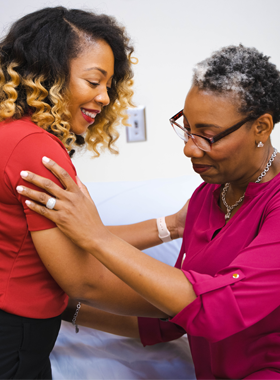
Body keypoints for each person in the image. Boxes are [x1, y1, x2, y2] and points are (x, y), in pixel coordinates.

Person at [18, 44, 280, 379]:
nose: (188, 148)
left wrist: (98, 237)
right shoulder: (208, 196)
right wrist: (63, 307)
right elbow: (171, 319)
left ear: (261, 127)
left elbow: (219, 310)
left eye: (208, 136)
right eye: (187, 128)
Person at [0, 6, 190, 379]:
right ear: (48, 74)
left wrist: (173, 225)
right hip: (14, 339)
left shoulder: (12, 133)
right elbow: (81, 278)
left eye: (109, 85)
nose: (104, 98)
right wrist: (183, 304)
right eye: (93, 81)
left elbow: (83, 240)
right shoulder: (35, 149)